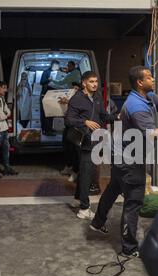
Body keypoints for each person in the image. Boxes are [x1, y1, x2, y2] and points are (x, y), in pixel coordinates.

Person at [90, 66, 158, 257]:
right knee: (133, 202)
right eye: (149, 77)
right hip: (129, 160)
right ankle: (129, 248)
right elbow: (152, 135)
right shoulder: (137, 106)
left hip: (120, 154)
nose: (153, 79)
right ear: (140, 82)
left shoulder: (147, 96)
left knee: (114, 187)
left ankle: (97, 222)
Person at [65, 71, 118, 220]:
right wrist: (85, 122)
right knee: (87, 173)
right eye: (91, 82)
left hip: (96, 140)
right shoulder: (76, 99)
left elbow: (103, 116)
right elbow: (68, 120)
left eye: (96, 81)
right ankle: (84, 208)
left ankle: (77, 199)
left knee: (84, 172)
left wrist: (118, 117)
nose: (94, 84)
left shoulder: (97, 97)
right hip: (84, 141)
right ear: (84, 83)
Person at [0, 81, 18, 176]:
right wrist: (5, 113)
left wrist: (5, 113)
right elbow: (0, 116)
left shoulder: (1, 99)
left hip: (4, 128)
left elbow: (8, 111)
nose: (5, 90)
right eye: (4, 88)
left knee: (6, 149)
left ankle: (7, 167)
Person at [40, 60, 60, 136]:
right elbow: (41, 82)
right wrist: (49, 79)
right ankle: (45, 130)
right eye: (57, 65)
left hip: (53, 95)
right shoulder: (46, 72)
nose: (58, 67)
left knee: (51, 113)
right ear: (53, 65)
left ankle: (50, 129)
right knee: (45, 114)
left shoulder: (57, 73)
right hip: (45, 95)